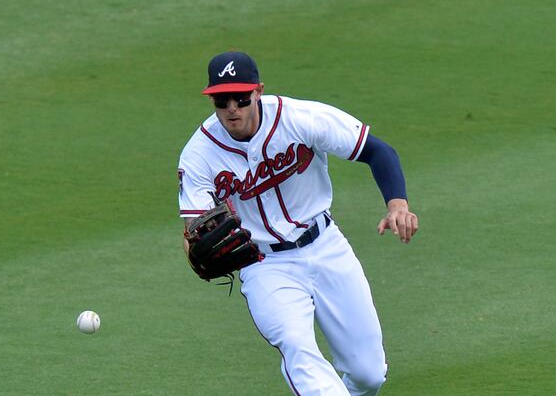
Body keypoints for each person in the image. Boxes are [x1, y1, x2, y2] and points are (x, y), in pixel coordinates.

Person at [177, 51, 418, 396]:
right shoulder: (199, 154)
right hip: (265, 266)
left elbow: (377, 151)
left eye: (241, 97)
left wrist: (397, 204)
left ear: (258, 91)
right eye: (221, 99)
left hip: (326, 246)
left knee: (368, 375)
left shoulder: (300, 117)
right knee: (297, 349)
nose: (232, 107)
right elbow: (193, 229)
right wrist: (194, 252)